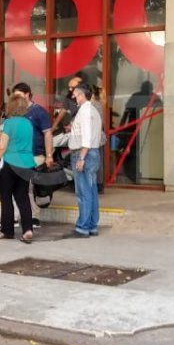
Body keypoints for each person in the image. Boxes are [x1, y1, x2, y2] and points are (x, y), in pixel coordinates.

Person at [0, 94, 36, 243]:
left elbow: (2, 146)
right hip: (27, 164)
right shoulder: (28, 123)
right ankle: (28, 230)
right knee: (23, 197)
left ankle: (6, 231)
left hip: (10, 163)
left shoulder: (9, 123)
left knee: (6, 198)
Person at [9, 82, 54, 227]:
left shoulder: (39, 112)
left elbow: (47, 133)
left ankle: (33, 216)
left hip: (35, 155)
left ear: (27, 94)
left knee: (28, 187)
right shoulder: (15, 111)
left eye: (19, 95)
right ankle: (16, 216)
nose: (16, 98)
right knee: (17, 186)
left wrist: (49, 155)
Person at [68, 82, 106, 238]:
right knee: (91, 191)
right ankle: (91, 225)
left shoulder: (84, 111)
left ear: (82, 95)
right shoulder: (93, 110)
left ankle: (83, 227)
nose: (73, 97)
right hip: (93, 153)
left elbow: (87, 137)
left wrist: (82, 157)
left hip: (83, 153)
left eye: (75, 94)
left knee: (83, 192)